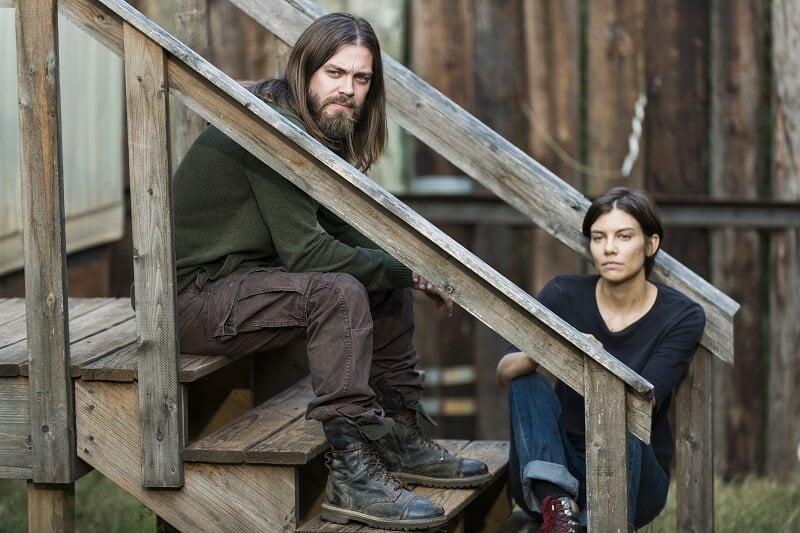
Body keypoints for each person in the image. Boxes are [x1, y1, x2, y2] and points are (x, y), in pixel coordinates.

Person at [171, 12, 489, 531]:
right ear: (305, 71)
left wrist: (410, 271)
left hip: (245, 283)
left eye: (361, 79)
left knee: (381, 278)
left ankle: (399, 436)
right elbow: (310, 255)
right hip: (191, 299)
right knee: (340, 290)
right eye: (335, 74)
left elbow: (342, 233)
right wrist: (404, 272)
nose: (348, 90)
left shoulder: (311, 129)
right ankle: (351, 475)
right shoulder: (272, 129)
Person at [496, 187, 706, 533]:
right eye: (598, 237)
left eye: (624, 236)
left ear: (651, 244)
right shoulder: (563, 293)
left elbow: (644, 404)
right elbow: (504, 372)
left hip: (637, 476)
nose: (609, 248)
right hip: (556, 463)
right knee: (526, 379)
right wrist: (559, 348)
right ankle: (558, 509)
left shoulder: (681, 315)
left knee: (629, 416)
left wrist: (596, 362)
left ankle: (590, 520)